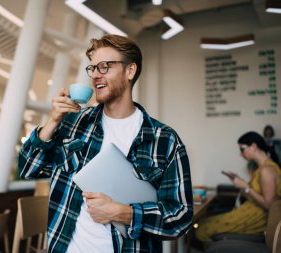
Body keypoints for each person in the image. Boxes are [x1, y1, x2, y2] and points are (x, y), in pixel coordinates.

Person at [19, 34, 193, 253]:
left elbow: (181, 217)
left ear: (130, 71)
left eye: (104, 67)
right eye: (92, 69)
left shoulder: (165, 140)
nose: (95, 76)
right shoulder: (73, 124)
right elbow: (27, 168)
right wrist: (53, 120)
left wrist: (122, 213)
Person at [196, 131, 281, 242]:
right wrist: (241, 184)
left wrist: (246, 187)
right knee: (202, 222)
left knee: (201, 229)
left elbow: (268, 205)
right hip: (248, 212)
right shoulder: (260, 169)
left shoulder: (267, 170)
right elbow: (255, 195)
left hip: (254, 218)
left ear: (254, 146)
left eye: (242, 149)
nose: (241, 154)